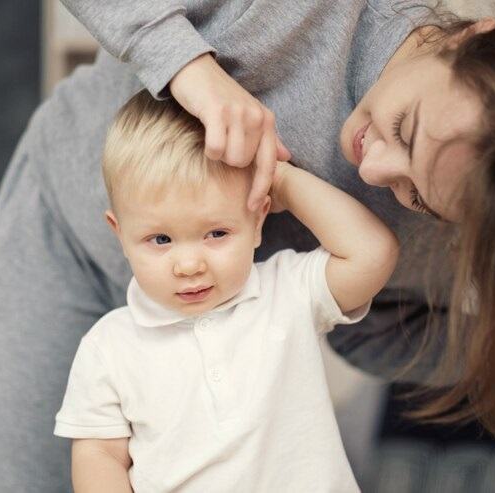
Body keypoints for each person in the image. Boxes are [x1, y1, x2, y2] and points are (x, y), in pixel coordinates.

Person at [0, 1, 495, 491]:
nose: (372, 172)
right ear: (469, 37)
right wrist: (184, 64)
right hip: (64, 242)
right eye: (405, 127)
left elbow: (365, 325)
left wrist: (483, 346)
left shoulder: (459, 215)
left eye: (415, 196)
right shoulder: (305, 15)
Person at [53, 90, 397, 492]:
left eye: (216, 233)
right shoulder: (108, 347)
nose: (189, 265)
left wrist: (279, 179)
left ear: (257, 220)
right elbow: (100, 455)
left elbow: (372, 254)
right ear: (121, 234)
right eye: (160, 239)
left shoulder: (287, 292)